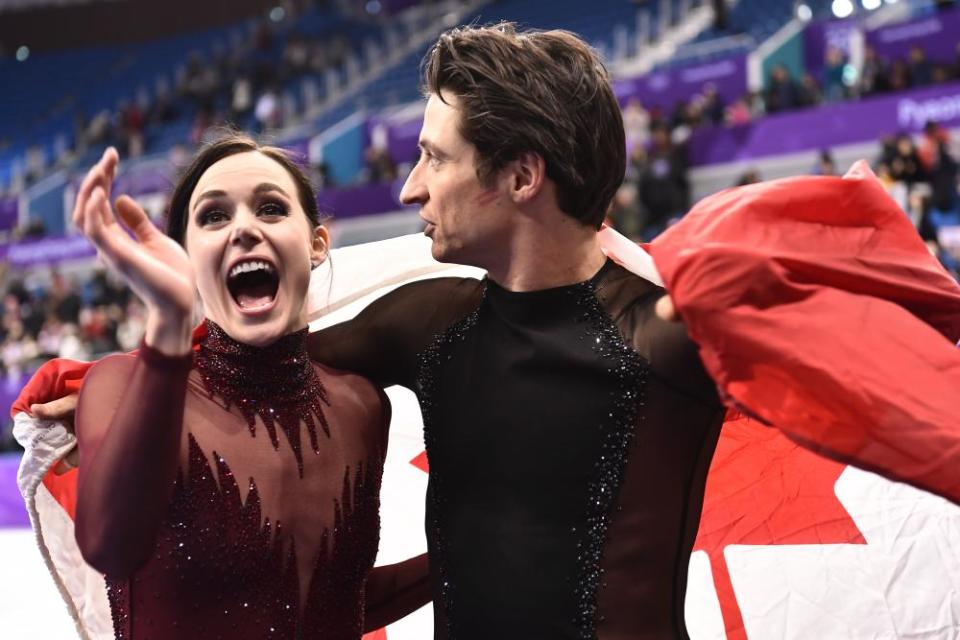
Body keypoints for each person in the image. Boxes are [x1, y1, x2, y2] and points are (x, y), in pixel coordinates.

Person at [56, 137, 430, 639]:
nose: (244, 229)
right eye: (213, 217)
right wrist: (167, 325)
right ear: (186, 255)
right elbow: (110, 546)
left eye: (271, 208)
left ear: (317, 243)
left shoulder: (362, 405)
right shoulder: (122, 385)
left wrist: (466, 550)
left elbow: (339, 602)